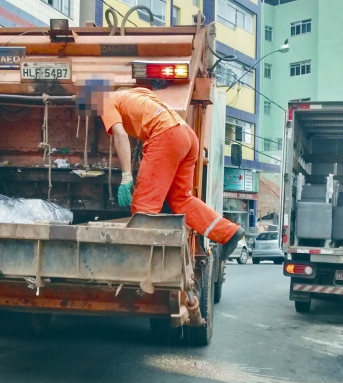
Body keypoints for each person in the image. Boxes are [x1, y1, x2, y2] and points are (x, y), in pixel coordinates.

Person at [76, 80, 245, 258]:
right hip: (186, 135)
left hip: (166, 136)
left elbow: (120, 135)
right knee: (181, 199)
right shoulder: (136, 93)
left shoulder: (105, 100)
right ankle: (229, 233)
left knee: (144, 205)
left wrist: (126, 176)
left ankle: (142, 260)